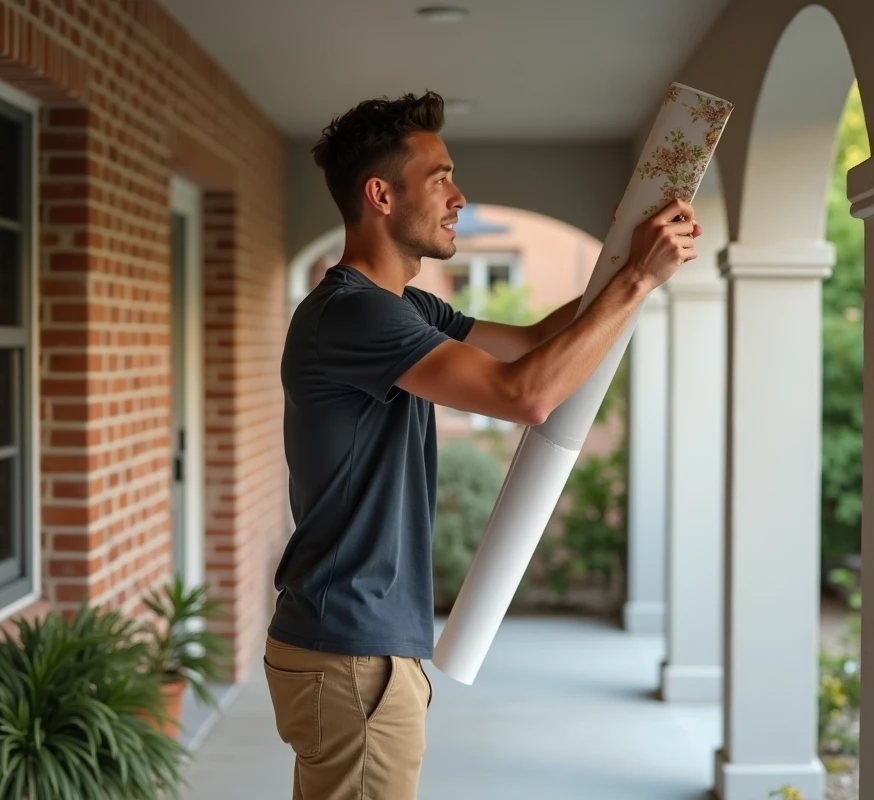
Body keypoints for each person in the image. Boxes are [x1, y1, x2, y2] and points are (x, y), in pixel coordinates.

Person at [265, 90, 701, 800]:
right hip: (350, 649)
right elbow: (524, 393)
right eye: (439, 177)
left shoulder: (404, 308)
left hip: (350, 646)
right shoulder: (353, 317)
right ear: (380, 194)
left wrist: (632, 263)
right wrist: (636, 278)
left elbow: (533, 343)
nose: (459, 196)